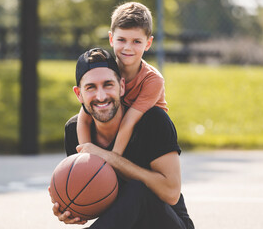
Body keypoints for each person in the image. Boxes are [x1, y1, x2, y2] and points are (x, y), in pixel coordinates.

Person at [49, 48, 194, 229]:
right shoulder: (74, 131)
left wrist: (110, 158)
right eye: (91, 87)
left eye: (108, 84)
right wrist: (71, 208)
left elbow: (171, 192)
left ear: (122, 86)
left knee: (137, 190)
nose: (101, 96)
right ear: (79, 94)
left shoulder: (153, 121)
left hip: (167, 223)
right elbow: (97, 198)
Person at [77, 2, 168, 156]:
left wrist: (112, 160)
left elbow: (129, 122)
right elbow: (84, 117)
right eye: (122, 40)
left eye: (136, 41)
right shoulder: (108, 71)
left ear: (148, 43)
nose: (128, 48)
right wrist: (86, 156)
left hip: (147, 136)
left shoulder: (153, 80)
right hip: (119, 132)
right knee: (72, 124)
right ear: (111, 39)